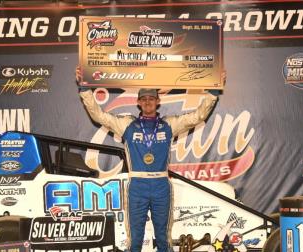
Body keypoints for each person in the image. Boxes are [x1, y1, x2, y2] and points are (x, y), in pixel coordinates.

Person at [77, 70, 221, 252]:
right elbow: (99, 116)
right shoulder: (127, 124)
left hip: (161, 184)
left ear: (158, 101)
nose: (147, 102)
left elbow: (197, 116)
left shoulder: (169, 123)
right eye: (143, 99)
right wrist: (84, 89)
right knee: (135, 239)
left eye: (151, 98)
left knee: (163, 238)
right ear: (138, 102)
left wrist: (213, 91)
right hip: (137, 185)